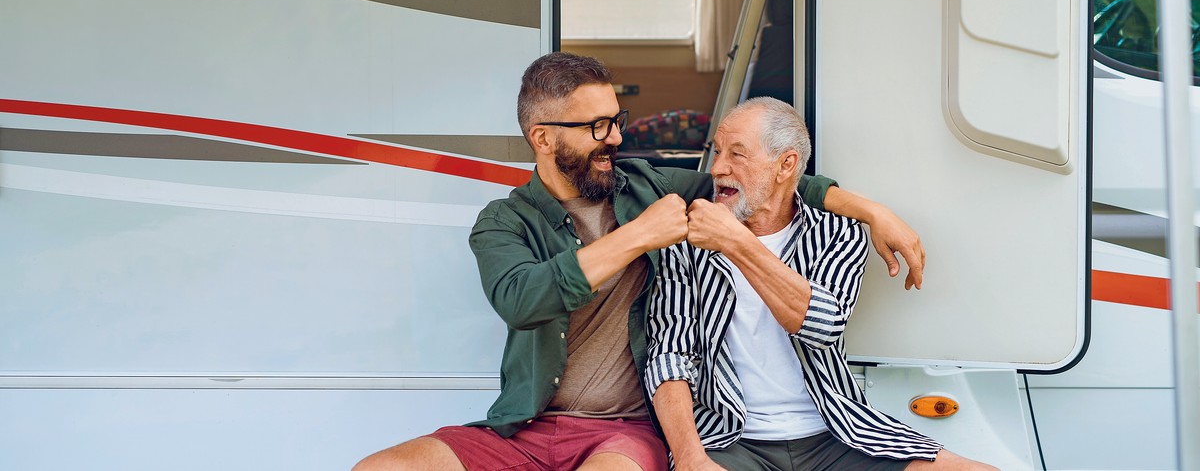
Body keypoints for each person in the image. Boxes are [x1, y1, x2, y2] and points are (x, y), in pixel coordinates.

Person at [354, 54, 927, 471]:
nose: (616, 137)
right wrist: (635, 238)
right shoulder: (505, 221)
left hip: (622, 433)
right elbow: (522, 300)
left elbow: (758, 180)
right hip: (522, 430)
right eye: (597, 127)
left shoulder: (645, 186)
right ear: (543, 138)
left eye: (616, 119)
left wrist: (870, 209)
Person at [645, 97, 995, 470]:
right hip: (730, 440)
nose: (717, 168)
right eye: (717, 152)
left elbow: (822, 326)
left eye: (737, 154)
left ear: (786, 165)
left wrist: (736, 242)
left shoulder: (838, 234)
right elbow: (669, 357)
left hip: (838, 433)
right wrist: (690, 458)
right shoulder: (684, 242)